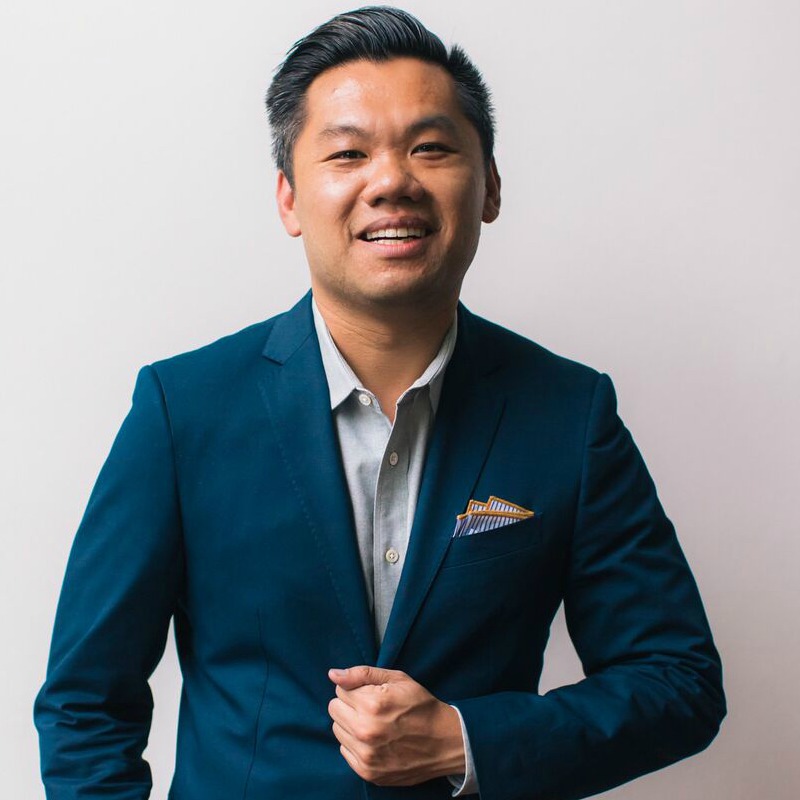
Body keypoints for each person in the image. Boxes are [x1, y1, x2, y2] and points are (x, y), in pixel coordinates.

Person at [34, 7, 725, 799]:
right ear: (289, 199)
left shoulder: (569, 413)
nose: (392, 181)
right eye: (348, 153)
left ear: (490, 186)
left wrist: (466, 740)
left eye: (431, 148)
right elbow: (85, 703)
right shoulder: (182, 410)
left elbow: (677, 681)